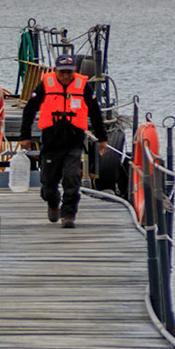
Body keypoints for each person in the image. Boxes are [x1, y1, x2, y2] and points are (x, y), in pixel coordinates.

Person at [15, 54, 107, 226]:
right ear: (56, 71)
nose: (65, 76)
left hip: (74, 141)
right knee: (48, 184)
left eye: (69, 72)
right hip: (51, 141)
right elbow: (29, 110)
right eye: (62, 72)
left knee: (72, 177)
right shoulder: (45, 85)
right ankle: (52, 203)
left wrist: (102, 138)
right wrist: (25, 136)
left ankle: (68, 215)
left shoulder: (83, 87)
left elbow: (95, 112)